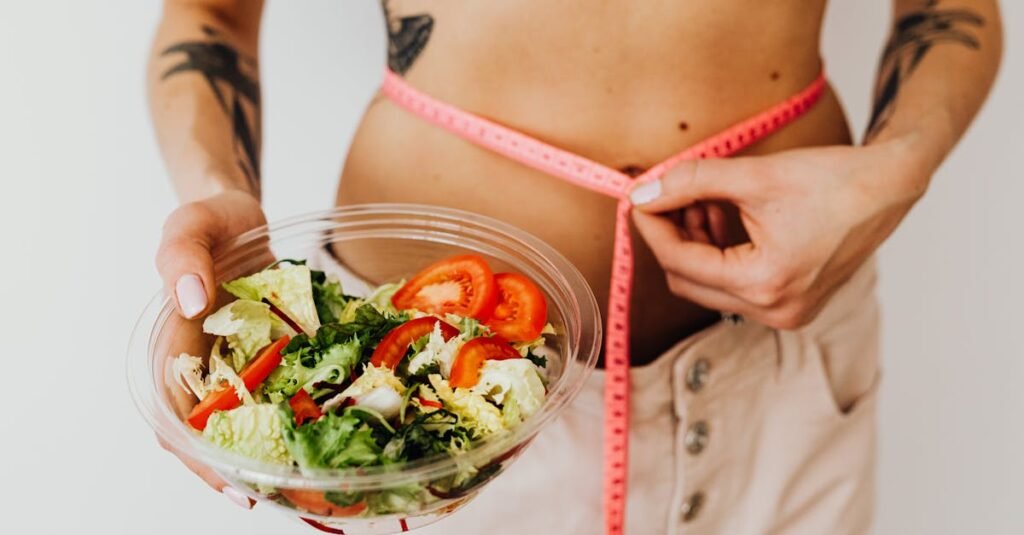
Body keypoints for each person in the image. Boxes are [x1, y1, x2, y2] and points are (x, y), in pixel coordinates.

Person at [147, 0, 1002, 533]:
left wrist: (896, 168)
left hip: (783, 379)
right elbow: (211, 14)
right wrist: (223, 204)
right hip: (416, 409)